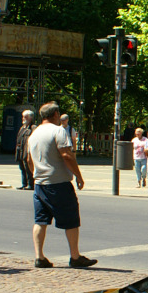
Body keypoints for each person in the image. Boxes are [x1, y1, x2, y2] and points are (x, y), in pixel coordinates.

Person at [27, 102, 96, 269]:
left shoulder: (34, 134)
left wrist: (36, 175)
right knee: (71, 219)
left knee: (40, 220)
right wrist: (78, 176)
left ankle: (39, 256)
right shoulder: (58, 131)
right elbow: (67, 155)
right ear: (56, 114)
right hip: (58, 183)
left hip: (40, 184)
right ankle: (75, 256)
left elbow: (29, 160)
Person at [14, 109, 34, 190]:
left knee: (28, 168)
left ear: (30, 118)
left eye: (25, 117)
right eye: (23, 117)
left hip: (27, 151)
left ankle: (30, 184)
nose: (23, 118)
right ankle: (24, 184)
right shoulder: (22, 127)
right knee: (22, 168)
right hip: (20, 151)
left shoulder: (32, 127)